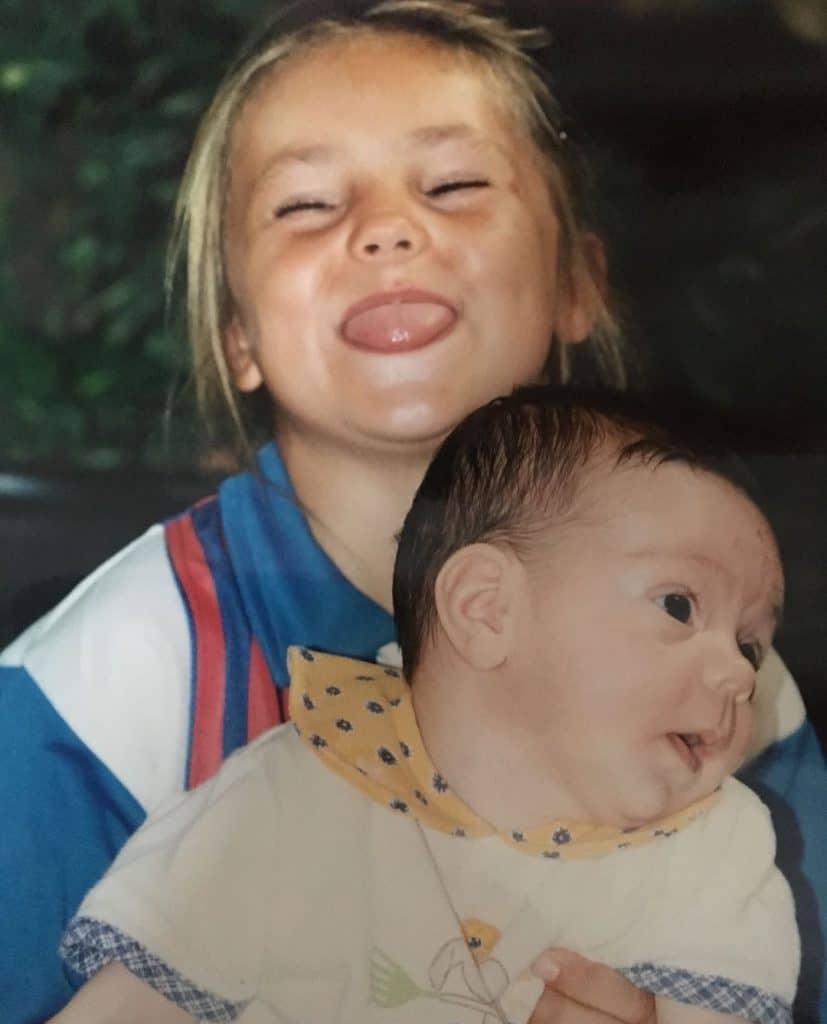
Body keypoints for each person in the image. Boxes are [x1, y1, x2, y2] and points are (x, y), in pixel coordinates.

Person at [0, 2, 821, 1022]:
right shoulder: (102, 687)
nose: (385, 227)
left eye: (454, 185)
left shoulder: (715, 663)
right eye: (303, 205)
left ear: (577, 284)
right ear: (237, 335)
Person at [53, 387, 799, 1024]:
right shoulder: (288, 802)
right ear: (485, 609)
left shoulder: (712, 850)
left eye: (750, 645)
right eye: (677, 605)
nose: (736, 676)